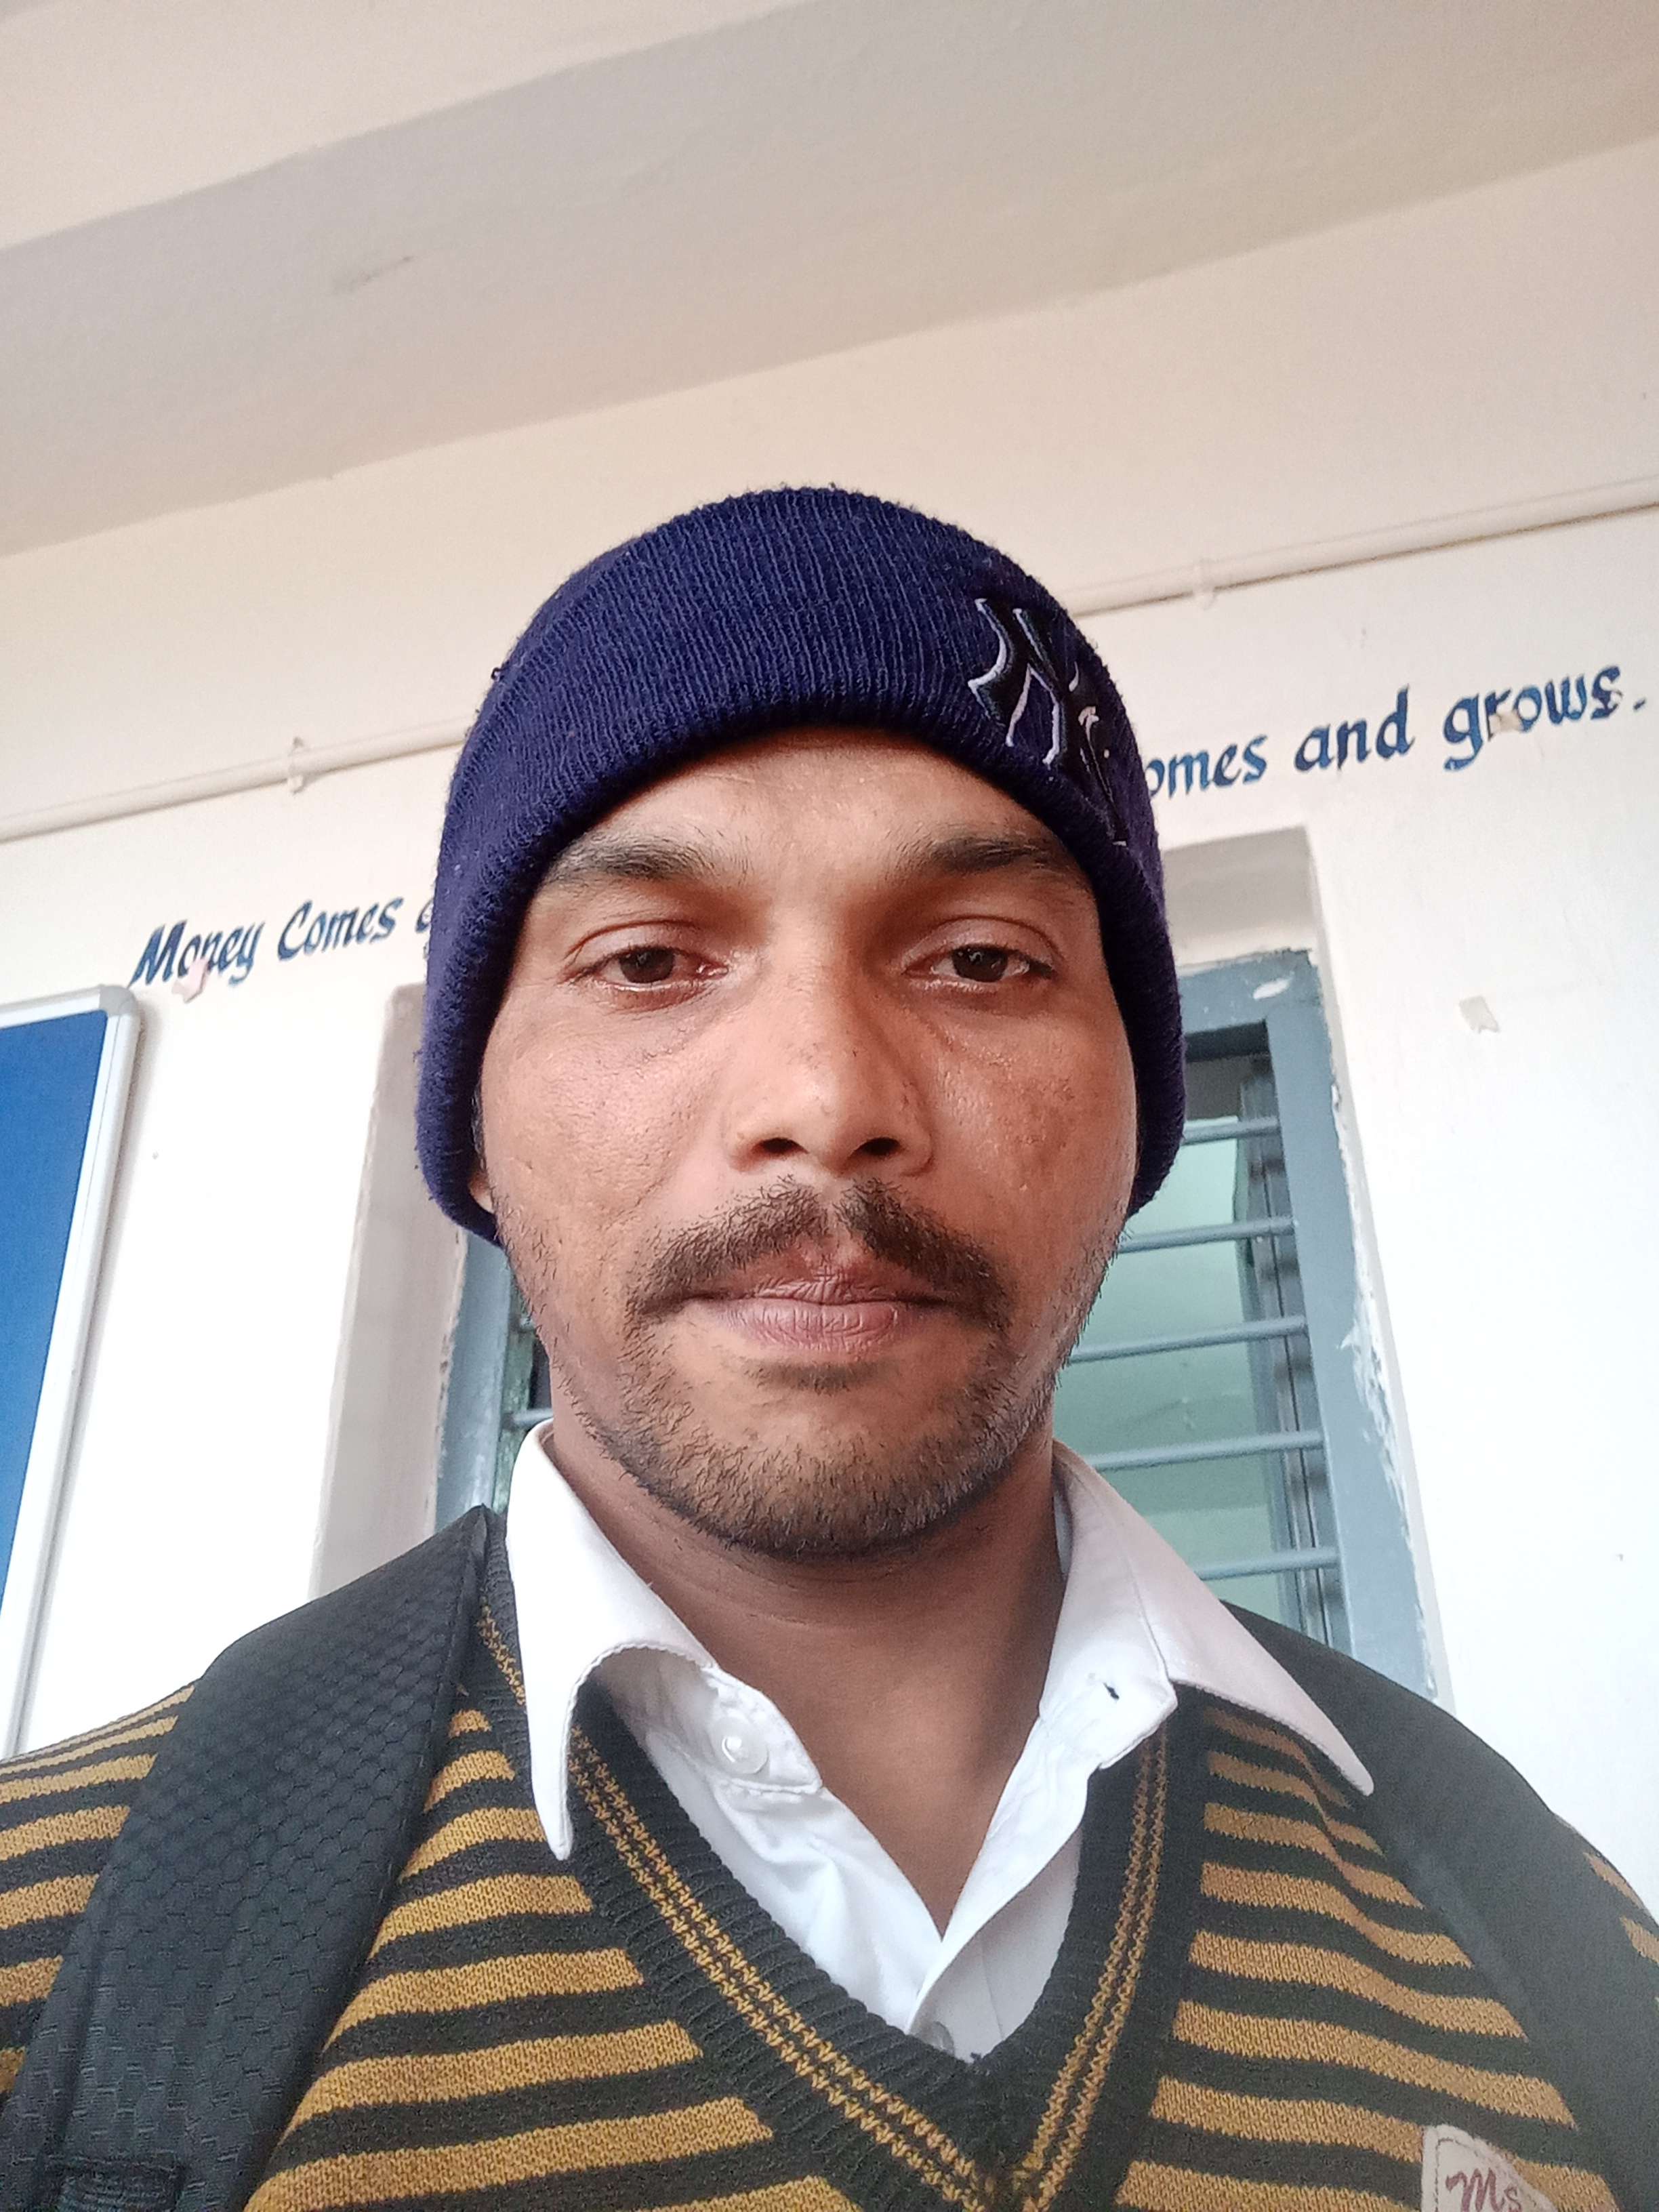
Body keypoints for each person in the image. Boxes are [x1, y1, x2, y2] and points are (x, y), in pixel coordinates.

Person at [0, 490, 1653, 2212]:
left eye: (982, 960)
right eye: (650, 961)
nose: (826, 1097)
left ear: (1139, 1122)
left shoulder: (1544, 1933)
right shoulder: (56, 1961)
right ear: (473, 1132)